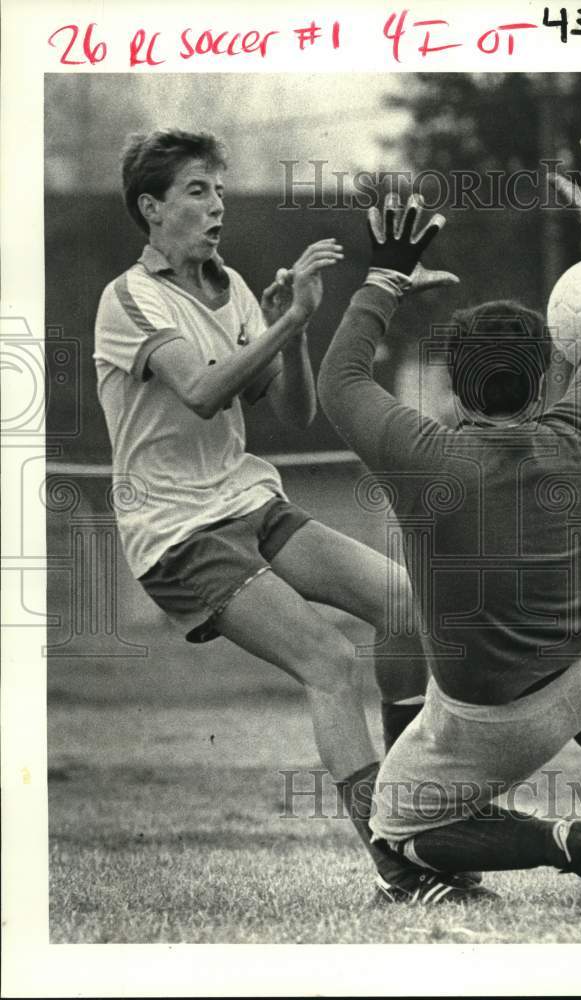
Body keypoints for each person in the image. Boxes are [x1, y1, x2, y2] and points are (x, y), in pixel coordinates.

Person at [93, 128, 495, 903]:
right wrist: (287, 320)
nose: (218, 205)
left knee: (409, 607)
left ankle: (420, 816)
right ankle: (397, 862)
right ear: (151, 208)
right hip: (178, 533)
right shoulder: (129, 298)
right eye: (196, 191)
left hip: (249, 500)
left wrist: (295, 328)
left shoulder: (233, 286)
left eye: (219, 188)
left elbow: (297, 410)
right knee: (328, 662)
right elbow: (202, 390)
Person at [317, 137, 581, 905]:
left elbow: (339, 378)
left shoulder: (422, 457)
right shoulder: (579, 434)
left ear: (453, 388)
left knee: (396, 828)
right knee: (548, 625)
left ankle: (568, 843)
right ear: (547, 379)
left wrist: (383, 278)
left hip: (497, 722)